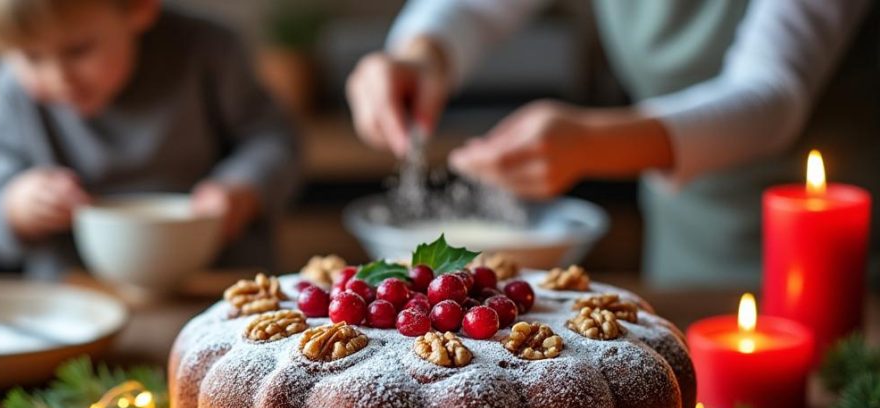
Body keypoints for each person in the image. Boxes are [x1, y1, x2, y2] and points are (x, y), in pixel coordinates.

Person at [346, 0, 877, 287]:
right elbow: (474, 9)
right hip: (688, 244)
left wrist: (590, 144)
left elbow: (771, 97)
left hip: (849, 263)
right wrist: (421, 53)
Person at [0, 0, 300, 279]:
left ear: (139, 8)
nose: (58, 77)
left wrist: (242, 187)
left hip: (215, 285)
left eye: (78, 50)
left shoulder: (209, 50)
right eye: (31, 57)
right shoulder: (10, 89)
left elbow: (273, 139)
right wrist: (17, 204)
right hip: (77, 297)